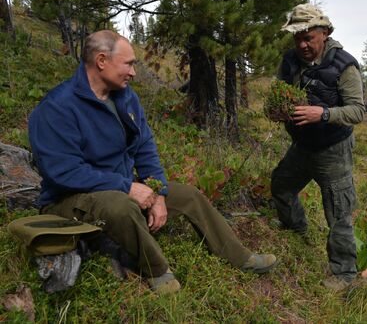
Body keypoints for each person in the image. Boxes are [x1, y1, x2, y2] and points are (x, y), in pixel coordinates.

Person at [28, 30, 277, 294]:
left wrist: (157, 193)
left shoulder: (125, 97)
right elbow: (63, 172)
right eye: (129, 63)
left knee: (188, 195)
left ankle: (240, 256)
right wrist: (126, 187)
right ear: (102, 60)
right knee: (120, 206)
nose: (134, 72)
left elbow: (145, 146)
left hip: (117, 188)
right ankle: (157, 270)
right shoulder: (56, 108)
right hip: (68, 200)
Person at [270, 4, 365, 291]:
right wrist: (277, 111)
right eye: (296, 38)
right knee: (281, 185)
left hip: (333, 150)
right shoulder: (289, 61)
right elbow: (278, 94)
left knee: (338, 213)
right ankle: (296, 228)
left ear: (324, 33)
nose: (302, 44)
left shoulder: (344, 66)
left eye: (308, 37)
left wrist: (321, 113)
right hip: (301, 146)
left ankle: (345, 275)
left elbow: (358, 111)